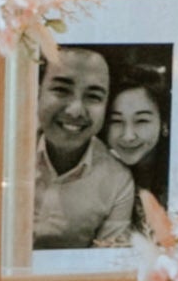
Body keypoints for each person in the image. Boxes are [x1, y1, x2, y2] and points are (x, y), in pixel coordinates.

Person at [31, 44, 142, 249]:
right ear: (37, 92)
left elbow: (106, 265)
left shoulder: (118, 181)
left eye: (93, 96)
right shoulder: (5, 155)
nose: (75, 111)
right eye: (61, 90)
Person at [103, 77, 169, 206]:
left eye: (141, 121)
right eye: (116, 121)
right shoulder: (100, 175)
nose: (128, 136)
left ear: (164, 124)